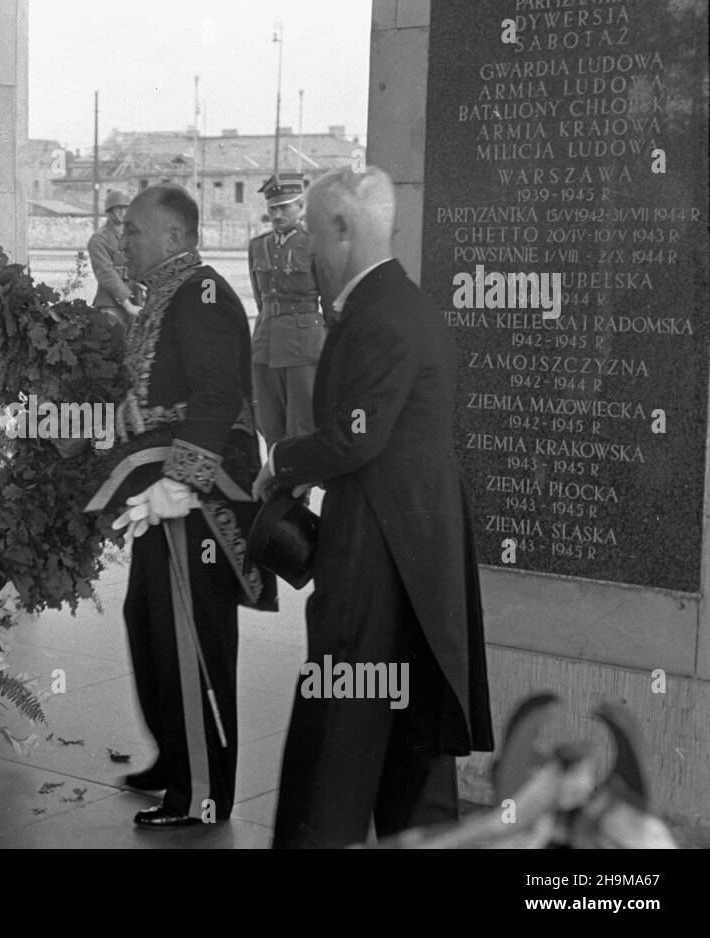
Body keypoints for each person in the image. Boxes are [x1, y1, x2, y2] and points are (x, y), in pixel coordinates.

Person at [250, 165, 494, 848]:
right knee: (408, 755)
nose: (308, 259)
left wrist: (282, 466)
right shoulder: (400, 304)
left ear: (341, 229)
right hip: (412, 560)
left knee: (336, 746)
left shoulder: (380, 315)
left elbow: (357, 436)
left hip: (379, 564)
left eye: (316, 240)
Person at [84, 185, 270, 829]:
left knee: (191, 639)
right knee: (150, 621)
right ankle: (174, 759)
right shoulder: (168, 292)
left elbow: (220, 397)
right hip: (159, 493)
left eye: (132, 231)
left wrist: (183, 482)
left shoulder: (204, 294)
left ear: (172, 237)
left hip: (197, 499)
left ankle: (203, 794)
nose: (121, 239)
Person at [248, 177, 327, 449]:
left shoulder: (315, 245)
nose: (277, 215)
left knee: (301, 421)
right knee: (269, 418)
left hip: (303, 341)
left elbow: (327, 301)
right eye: (272, 209)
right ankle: (275, 480)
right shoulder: (258, 245)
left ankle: (298, 487)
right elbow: (261, 298)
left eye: (284, 207)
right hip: (266, 340)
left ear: (301, 207)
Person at [87, 190, 140, 340]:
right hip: (111, 306)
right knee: (113, 350)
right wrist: (127, 304)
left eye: (126, 208)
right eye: (119, 208)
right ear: (110, 211)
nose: (123, 212)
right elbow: (106, 274)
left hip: (135, 302)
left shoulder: (134, 236)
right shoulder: (99, 239)